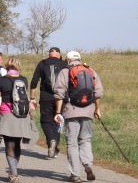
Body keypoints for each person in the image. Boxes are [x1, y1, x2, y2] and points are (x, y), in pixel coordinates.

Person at [0, 57, 39, 183]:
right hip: (22, 115)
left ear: (6, 66)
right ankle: (13, 170)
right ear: (18, 67)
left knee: (9, 144)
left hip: (7, 115)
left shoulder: (2, 80)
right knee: (17, 144)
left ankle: (14, 173)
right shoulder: (23, 79)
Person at [53, 51, 104, 183]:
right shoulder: (90, 70)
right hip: (88, 112)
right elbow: (98, 93)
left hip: (71, 112)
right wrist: (97, 109)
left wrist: (58, 112)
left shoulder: (65, 71)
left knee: (72, 143)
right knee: (85, 140)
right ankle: (87, 164)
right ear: (80, 59)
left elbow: (59, 93)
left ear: (68, 60)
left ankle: (75, 174)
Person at [30, 47, 67, 158]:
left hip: (46, 97)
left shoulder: (42, 63)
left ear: (49, 55)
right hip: (62, 97)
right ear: (60, 55)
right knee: (58, 120)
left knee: (45, 121)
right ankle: (54, 147)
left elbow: (34, 81)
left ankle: (51, 140)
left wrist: (32, 98)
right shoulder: (65, 64)